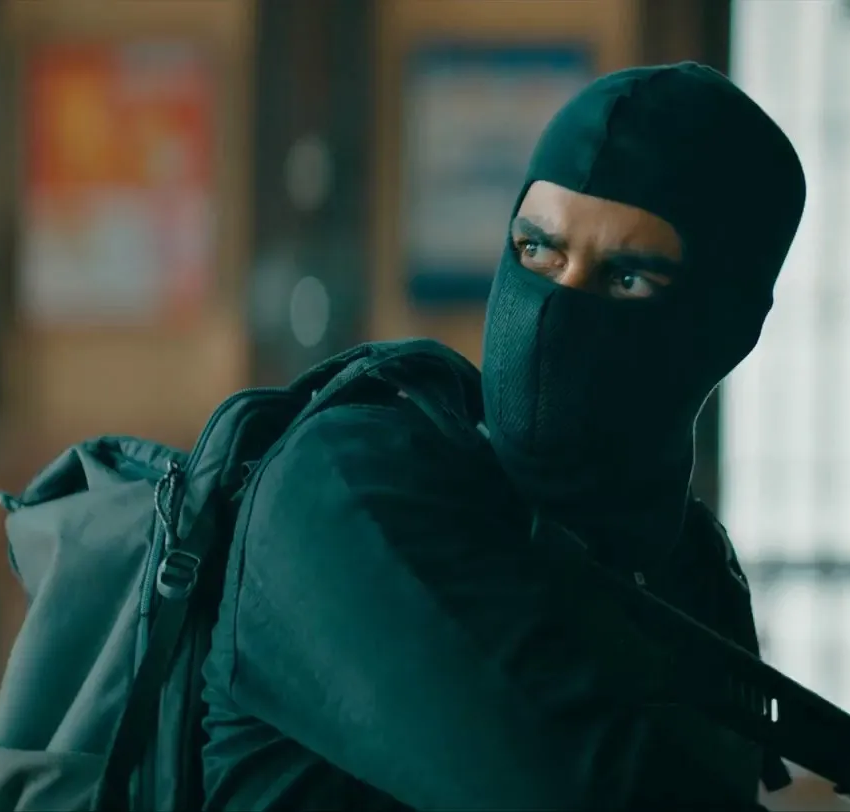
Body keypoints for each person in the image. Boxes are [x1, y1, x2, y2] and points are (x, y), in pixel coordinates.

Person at [197, 61, 807, 810]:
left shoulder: (690, 569)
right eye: (538, 251)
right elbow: (578, 788)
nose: (557, 307)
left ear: (726, 327)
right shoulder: (349, 485)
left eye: (626, 278)